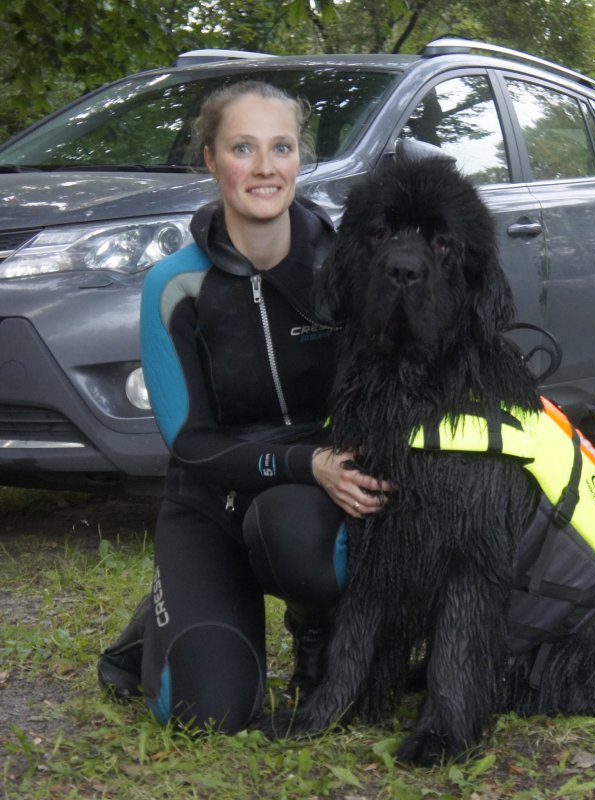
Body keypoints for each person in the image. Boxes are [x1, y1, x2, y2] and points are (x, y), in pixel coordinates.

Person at [97, 80, 388, 735]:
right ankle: (150, 632)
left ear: (300, 159)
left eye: (280, 147)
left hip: (307, 504)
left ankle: (316, 644)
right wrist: (302, 461)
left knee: (295, 529)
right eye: (242, 147)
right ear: (210, 159)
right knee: (207, 712)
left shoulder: (347, 270)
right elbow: (190, 442)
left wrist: (320, 468)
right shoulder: (175, 286)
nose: (263, 167)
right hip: (209, 500)